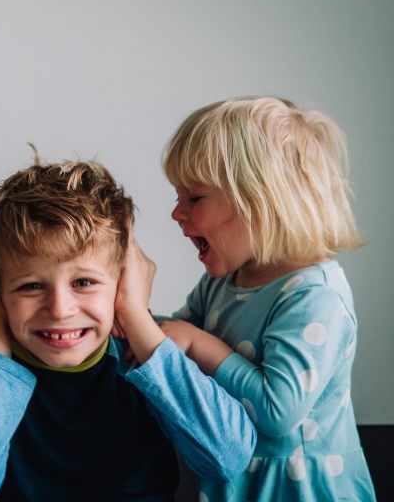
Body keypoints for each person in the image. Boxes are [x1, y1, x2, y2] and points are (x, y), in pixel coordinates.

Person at [0, 159, 256, 502]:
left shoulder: (145, 349)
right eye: (31, 286)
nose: (59, 309)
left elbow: (228, 457)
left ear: (123, 279)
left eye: (83, 282)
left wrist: (135, 314)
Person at [158, 96, 376, 500]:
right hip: (231, 479)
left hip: (297, 490)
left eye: (193, 197)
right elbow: (171, 337)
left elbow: (278, 412)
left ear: (258, 203)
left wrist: (202, 345)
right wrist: (119, 308)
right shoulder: (223, 281)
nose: (176, 213)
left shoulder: (315, 294)